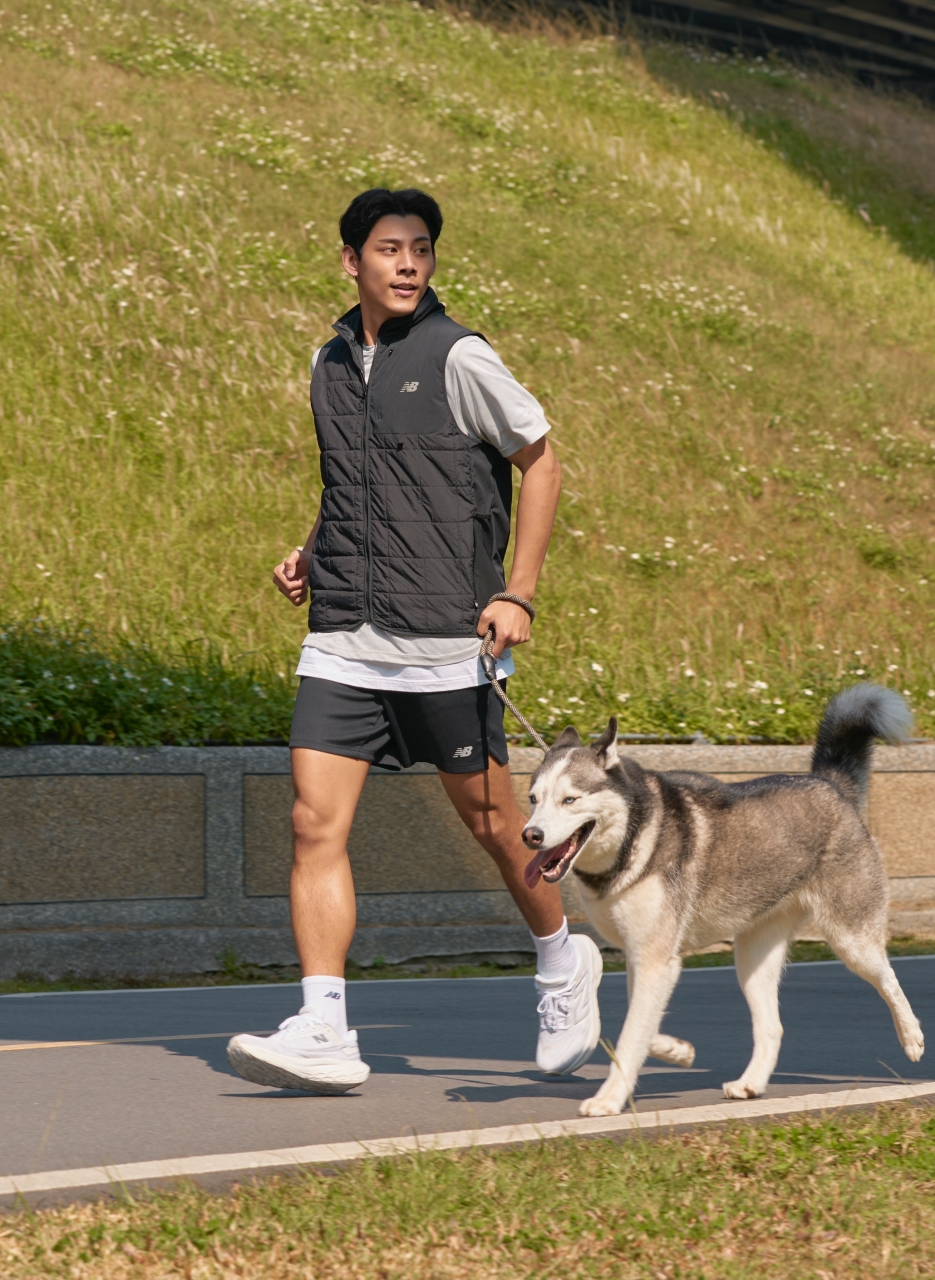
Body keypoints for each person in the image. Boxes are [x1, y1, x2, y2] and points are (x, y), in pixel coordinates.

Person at [225, 188, 602, 1095]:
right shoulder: (328, 361)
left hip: (446, 637)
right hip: (344, 634)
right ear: (349, 261)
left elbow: (540, 461)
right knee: (313, 822)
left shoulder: (458, 356)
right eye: (389, 249)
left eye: (420, 250)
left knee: (490, 822)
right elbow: (357, 476)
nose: (406, 264)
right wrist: (313, 549)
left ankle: (561, 962)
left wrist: (519, 591)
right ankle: (323, 1025)